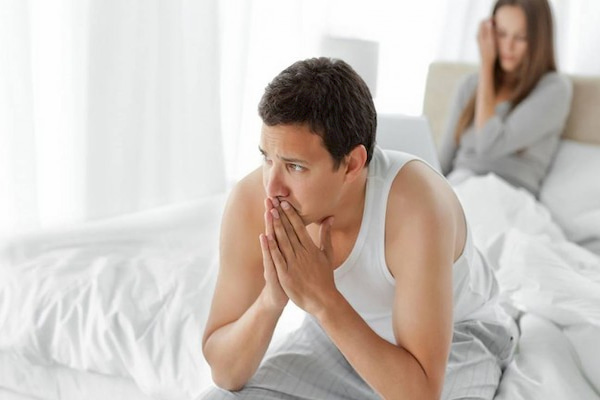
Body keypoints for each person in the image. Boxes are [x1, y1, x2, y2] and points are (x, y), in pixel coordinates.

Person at [202, 57, 515, 400]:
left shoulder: (417, 206)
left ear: (352, 164)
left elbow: (421, 393)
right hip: (336, 335)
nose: (273, 186)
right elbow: (225, 373)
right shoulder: (252, 200)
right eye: (267, 158)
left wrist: (324, 299)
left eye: (295, 166)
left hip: (456, 342)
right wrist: (271, 300)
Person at [438, 0, 572, 196]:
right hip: (458, 187)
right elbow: (441, 163)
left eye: (521, 37)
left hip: (507, 195)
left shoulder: (554, 88)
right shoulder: (469, 85)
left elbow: (490, 145)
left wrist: (486, 65)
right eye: (501, 34)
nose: (508, 46)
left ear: (539, 40)